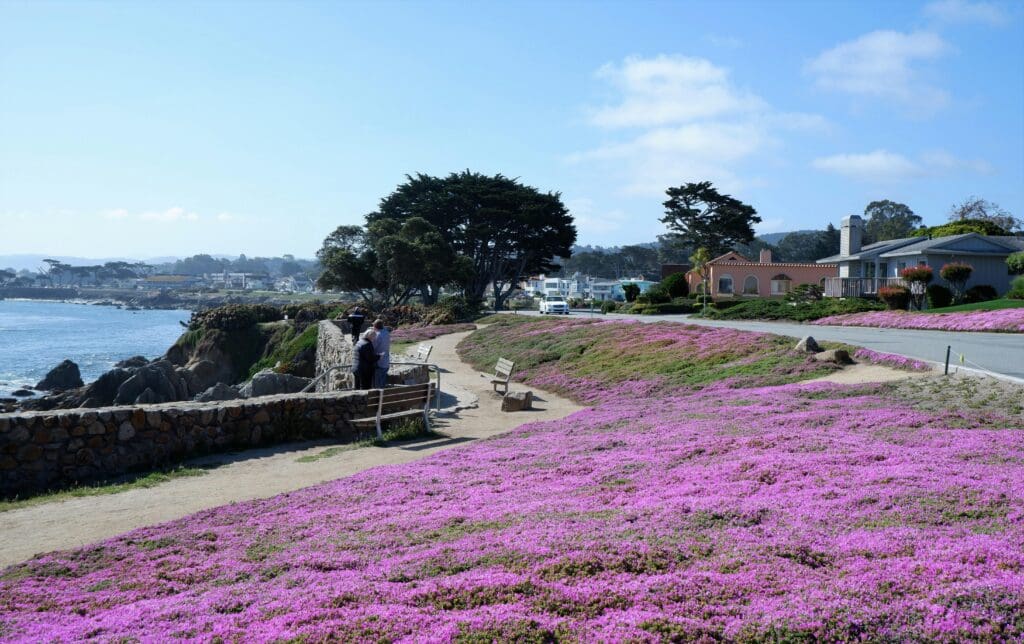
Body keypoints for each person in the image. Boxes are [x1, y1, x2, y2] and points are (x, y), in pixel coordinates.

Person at [371, 318, 391, 388]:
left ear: (375, 326)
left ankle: (380, 398)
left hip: (379, 363)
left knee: (378, 386)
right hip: (386, 362)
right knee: (382, 383)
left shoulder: (378, 335)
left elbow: (372, 347)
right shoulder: (386, 333)